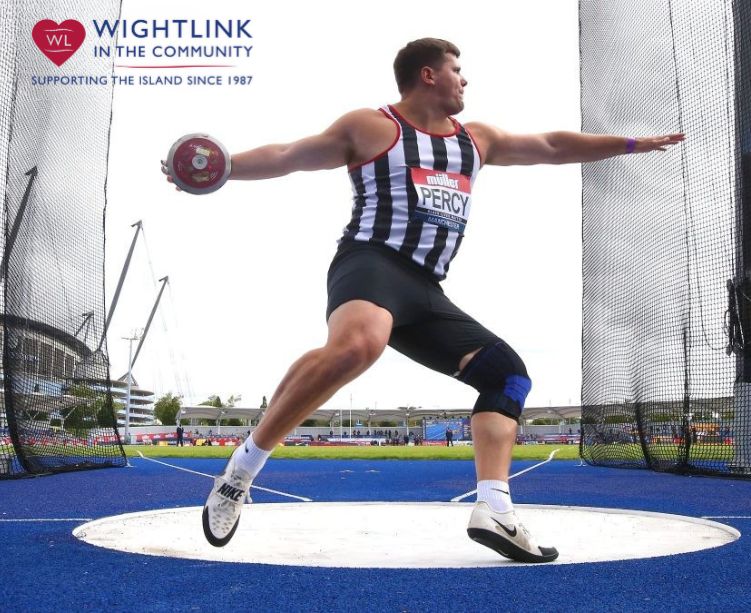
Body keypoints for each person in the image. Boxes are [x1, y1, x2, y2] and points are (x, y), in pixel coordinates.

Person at [168, 38, 682, 563]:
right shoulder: (374, 127)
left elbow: (551, 146)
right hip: (371, 262)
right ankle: (241, 472)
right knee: (359, 345)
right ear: (429, 75)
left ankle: (495, 508)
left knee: (507, 374)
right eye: (458, 69)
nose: (466, 80)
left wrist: (630, 144)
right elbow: (287, 156)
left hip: (425, 291)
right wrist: (221, 167)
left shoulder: (477, 140)